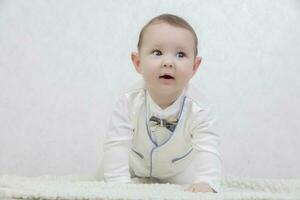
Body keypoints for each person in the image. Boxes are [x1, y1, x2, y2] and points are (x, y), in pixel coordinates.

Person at [103, 13, 221, 193]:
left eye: (180, 54)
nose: (168, 62)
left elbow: (208, 146)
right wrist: (118, 182)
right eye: (157, 53)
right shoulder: (128, 101)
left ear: (194, 67)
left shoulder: (199, 108)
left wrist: (207, 181)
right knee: (107, 174)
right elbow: (117, 143)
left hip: (176, 174)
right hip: (133, 167)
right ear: (138, 62)